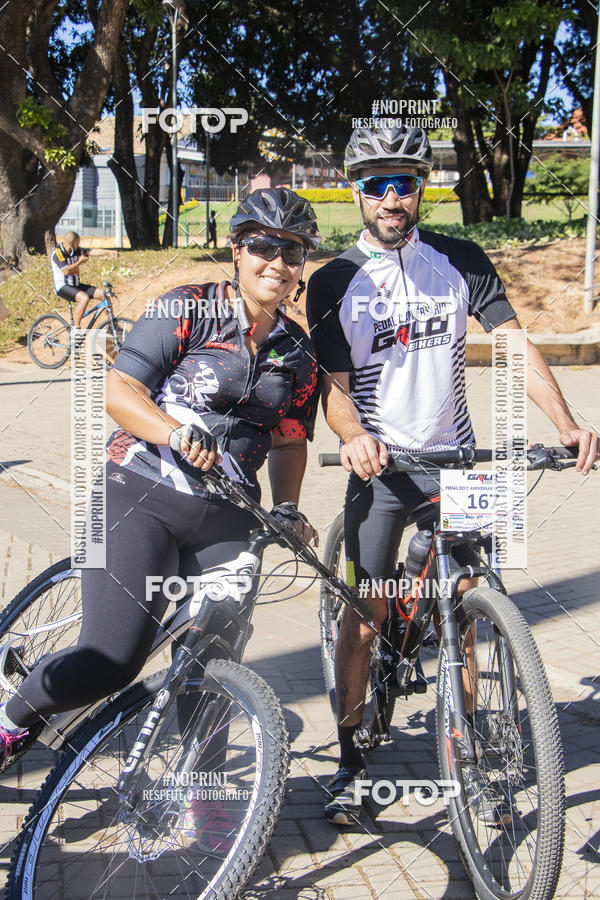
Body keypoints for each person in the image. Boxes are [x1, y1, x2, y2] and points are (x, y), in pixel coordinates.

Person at [1, 187, 321, 848]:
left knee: (210, 663)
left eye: (291, 250)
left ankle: (204, 800)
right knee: (110, 660)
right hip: (137, 493)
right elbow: (120, 391)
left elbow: (290, 439)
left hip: (230, 519)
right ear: (238, 250)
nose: (276, 261)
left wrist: (287, 508)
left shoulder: (298, 353)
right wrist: (173, 434)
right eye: (262, 245)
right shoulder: (188, 310)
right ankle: (12, 721)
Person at [306, 123, 599, 825]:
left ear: (422, 189)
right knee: (366, 618)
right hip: (382, 470)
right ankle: (352, 764)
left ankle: (477, 758)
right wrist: (353, 437)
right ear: (357, 193)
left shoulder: (461, 261)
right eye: (375, 184)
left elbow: (513, 345)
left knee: (471, 612)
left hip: (460, 463)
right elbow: (335, 386)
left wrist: (564, 422)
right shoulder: (333, 280)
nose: (390, 196)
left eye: (403, 182)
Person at [50, 231, 118, 327]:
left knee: (103, 295)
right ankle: (76, 328)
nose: (78, 246)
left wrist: (109, 252)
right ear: (70, 243)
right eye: (77, 244)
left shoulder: (74, 249)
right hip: (62, 286)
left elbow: (91, 251)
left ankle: (112, 325)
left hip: (75, 285)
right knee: (84, 298)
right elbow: (66, 271)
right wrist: (79, 262)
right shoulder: (57, 252)